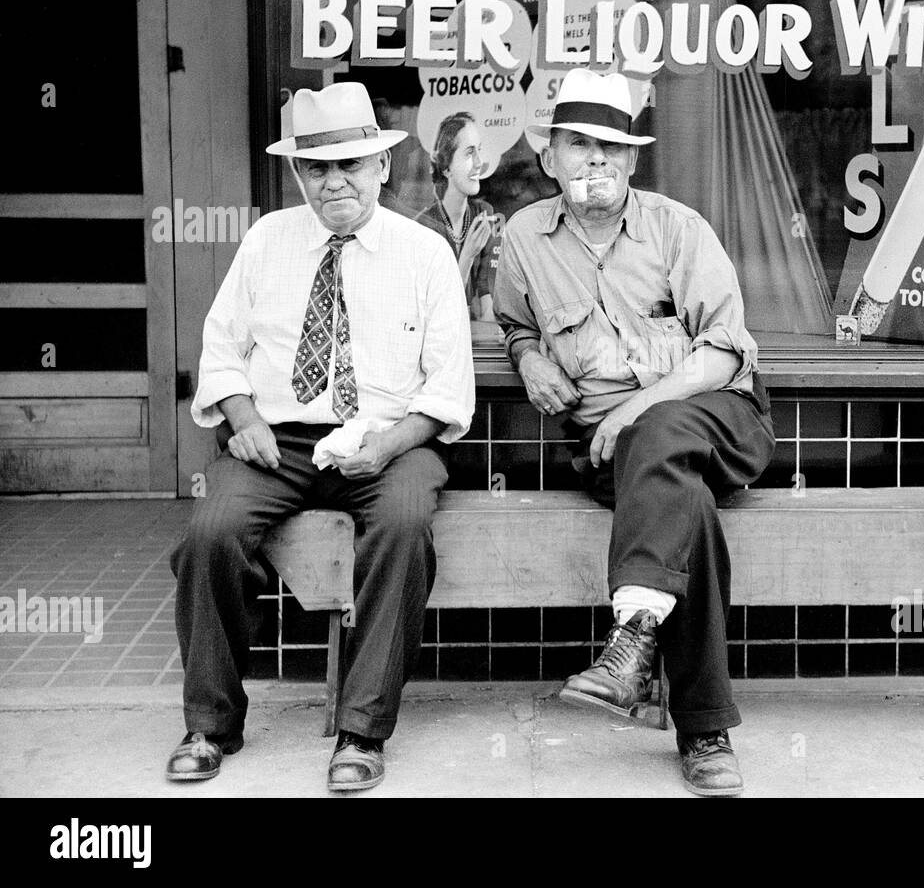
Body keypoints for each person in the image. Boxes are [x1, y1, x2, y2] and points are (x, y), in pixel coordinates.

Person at [167, 82, 474, 792]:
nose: (334, 181)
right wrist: (242, 420)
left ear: (382, 167)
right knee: (210, 530)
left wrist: (388, 444)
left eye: (351, 164)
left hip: (394, 440)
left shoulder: (424, 254)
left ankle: (361, 731)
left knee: (402, 525)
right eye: (317, 168)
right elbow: (221, 348)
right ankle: (211, 721)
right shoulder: (268, 239)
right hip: (280, 442)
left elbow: (448, 389)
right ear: (299, 174)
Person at [493, 68, 776, 797]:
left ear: (633, 159)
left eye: (613, 147)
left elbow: (723, 350)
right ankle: (704, 729)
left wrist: (630, 411)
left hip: (718, 417)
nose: (597, 160)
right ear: (549, 155)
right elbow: (515, 322)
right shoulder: (523, 239)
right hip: (608, 450)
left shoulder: (678, 228)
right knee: (690, 510)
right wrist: (527, 357)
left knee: (661, 433)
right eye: (580, 143)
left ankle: (631, 644)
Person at [416, 112, 501, 322]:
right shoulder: (424, 228)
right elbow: (436, 314)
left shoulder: (484, 215)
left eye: (479, 150)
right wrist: (468, 256)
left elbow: (486, 309)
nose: (480, 162)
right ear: (446, 167)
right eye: (469, 153)